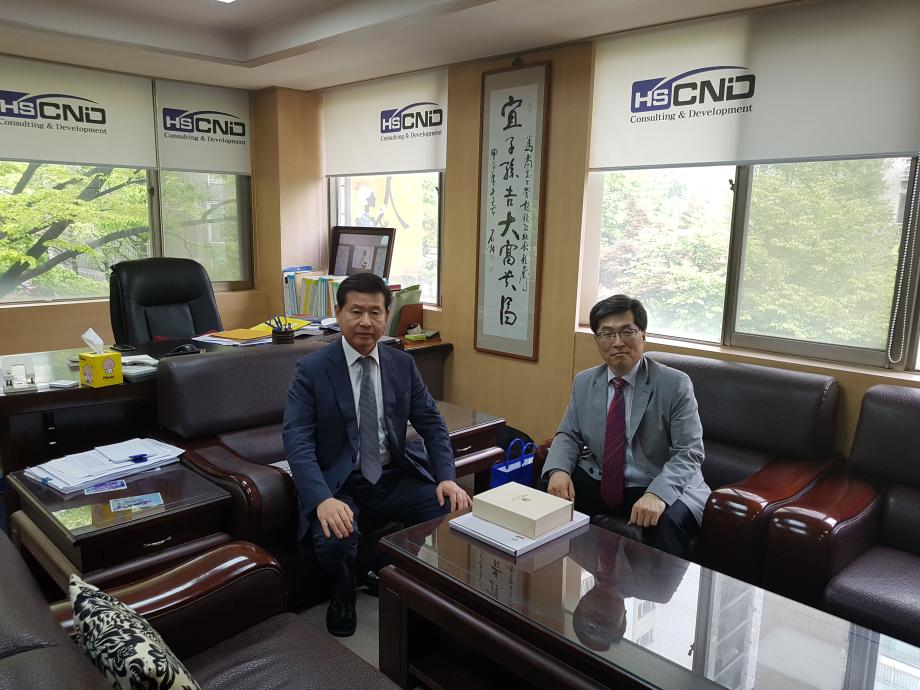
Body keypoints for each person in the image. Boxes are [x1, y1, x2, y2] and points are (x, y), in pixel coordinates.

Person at [282, 272, 470, 637]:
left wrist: (448, 477)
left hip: (391, 476)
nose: (366, 322)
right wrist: (321, 499)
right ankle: (342, 594)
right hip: (340, 484)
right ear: (338, 313)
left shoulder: (402, 365)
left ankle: (385, 568)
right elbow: (297, 440)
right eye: (356, 312)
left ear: (387, 315)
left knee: (450, 506)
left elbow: (432, 423)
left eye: (375, 312)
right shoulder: (312, 369)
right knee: (334, 536)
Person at [541, 294, 709, 558]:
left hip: (657, 480)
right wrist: (558, 471)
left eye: (627, 332)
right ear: (597, 340)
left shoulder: (674, 384)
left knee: (665, 522)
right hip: (603, 478)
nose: (617, 342)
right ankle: (554, 571)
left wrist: (658, 495)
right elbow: (568, 435)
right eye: (606, 334)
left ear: (643, 335)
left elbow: (689, 452)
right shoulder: (585, 382)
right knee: (548, 491)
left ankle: (656, 586)